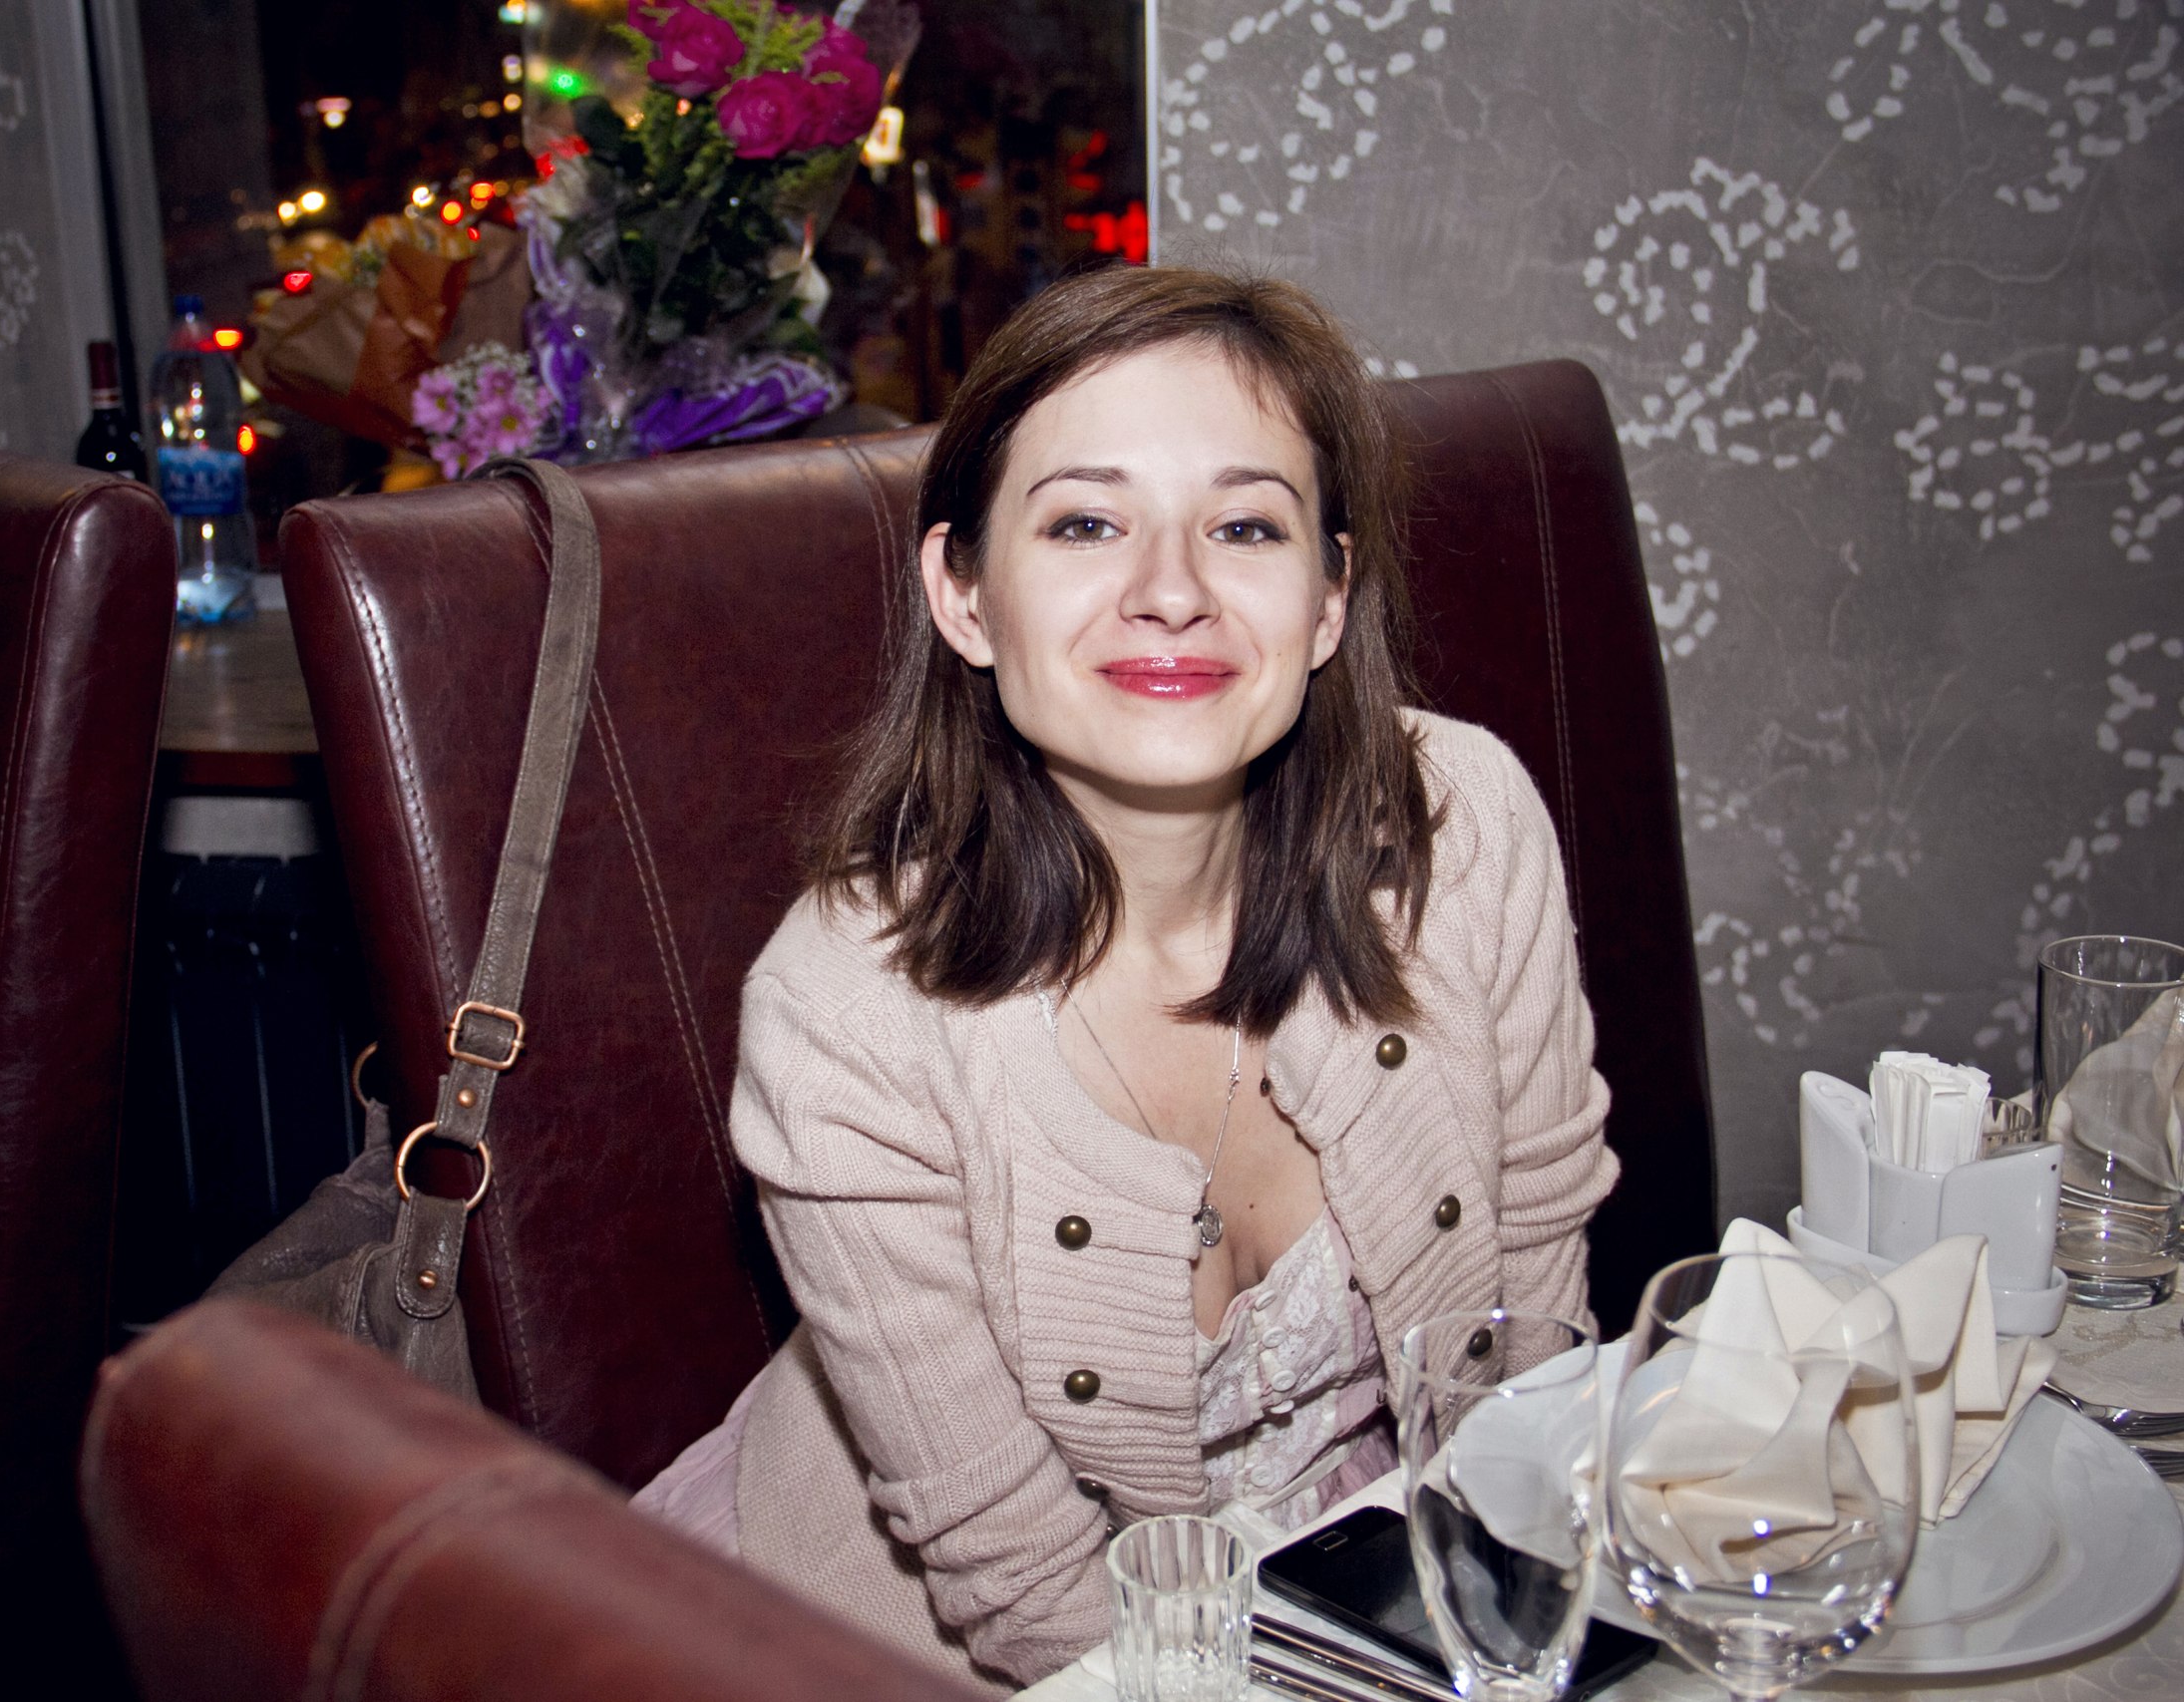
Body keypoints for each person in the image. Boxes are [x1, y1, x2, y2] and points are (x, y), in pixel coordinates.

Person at [631, 265, 1619, 1691]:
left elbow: (1528, 1353)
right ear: (966, 595)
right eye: (1086, 523)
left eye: (1246, 526)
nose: (1172, 593)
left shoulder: (1462, 835)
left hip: (1353, 1584)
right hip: (930, 1644)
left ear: (1328, 599)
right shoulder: (841, 1020)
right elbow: (1029, 1593)